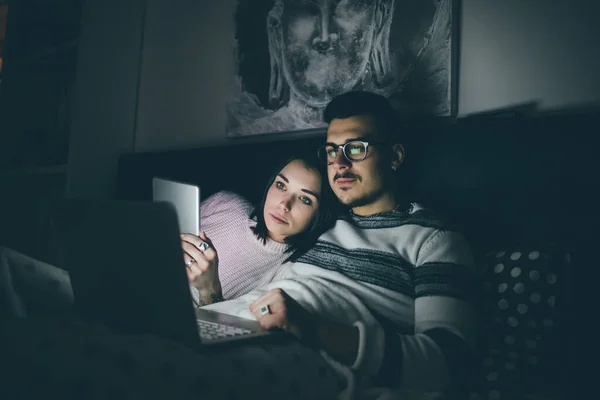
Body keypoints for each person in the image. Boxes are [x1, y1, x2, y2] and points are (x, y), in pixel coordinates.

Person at [207, 91, 477, 397]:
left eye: (356, 149)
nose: (340, 163)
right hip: (228, 329)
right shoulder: (317, 221)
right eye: (332, 151)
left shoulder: (433, 238)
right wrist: (209, 294)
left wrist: (316, 330)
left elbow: (451, 365)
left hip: (299, 358)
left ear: (395, 156)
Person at [0, 154, 338, 319]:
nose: (284, 202)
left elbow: (223, 326)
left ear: (318, 215)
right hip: (117, 280)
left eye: (305, 198)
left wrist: (209, 286)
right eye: (281, 185)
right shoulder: (228, 203)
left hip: (157, 316)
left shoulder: (289, 269)